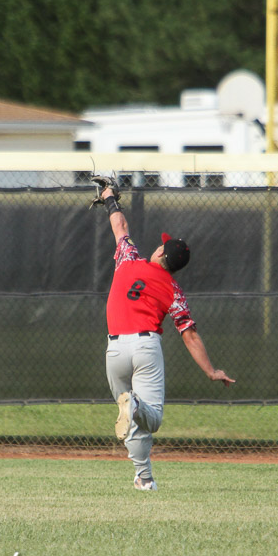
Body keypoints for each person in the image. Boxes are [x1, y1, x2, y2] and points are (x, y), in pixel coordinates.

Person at [95, 178, 235, 491]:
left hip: (114, 350)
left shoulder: (128, 258)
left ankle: (144, 478)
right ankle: (134, 407)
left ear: (160, 251)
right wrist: (211, 371)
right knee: (151, 418)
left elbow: (120, 226)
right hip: (145, 347)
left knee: (134, 415)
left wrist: (109, 197)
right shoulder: (173, 290)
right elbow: (189, 334)